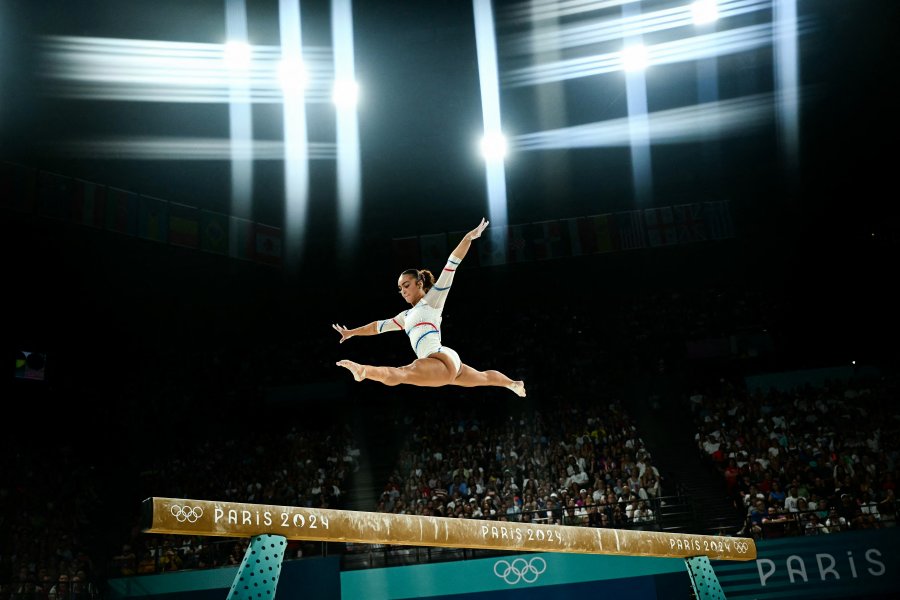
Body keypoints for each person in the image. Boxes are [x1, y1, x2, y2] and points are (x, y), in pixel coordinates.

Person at [334, 218, 526, 396]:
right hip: (447, 359)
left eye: (406, 285)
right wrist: (351, 332)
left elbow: (452, 263)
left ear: (419, 283)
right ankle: (514, 383)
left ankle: (363, 371)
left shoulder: (433, 299)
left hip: (438, 358)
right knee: (483, 377)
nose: (403, 291)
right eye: (400, 288)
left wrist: (468, 238)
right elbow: (377, 327)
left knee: (404, 373)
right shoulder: (405, 316)